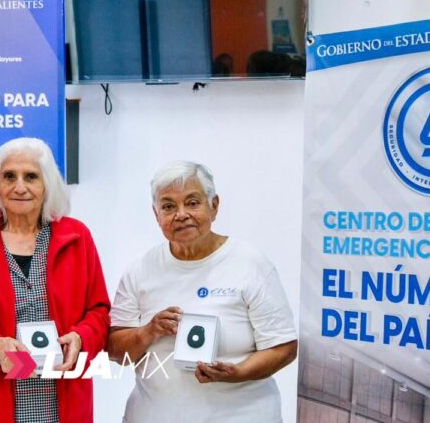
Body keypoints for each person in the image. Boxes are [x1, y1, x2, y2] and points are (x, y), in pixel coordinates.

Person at [107, 161, 297, 423]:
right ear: (156, 214)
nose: (181, 214)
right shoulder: (140, 269)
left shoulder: (249, 263)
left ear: (214, 205)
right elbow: (116, 352)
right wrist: (149, 331)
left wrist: (238, 372)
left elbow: (284, 347)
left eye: (192, 203)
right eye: (168, 207)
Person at [0, 137, 111, 423]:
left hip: (64, 400)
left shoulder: (77, 237)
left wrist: (82, 337)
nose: (19, 187)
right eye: (9, 176)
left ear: (47, 184)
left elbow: (99, 312)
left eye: (31, 177)